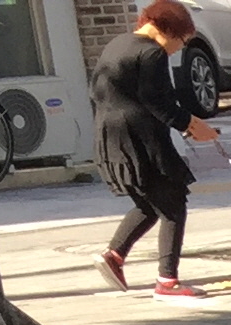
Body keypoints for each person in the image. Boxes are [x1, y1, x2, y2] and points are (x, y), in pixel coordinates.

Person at [90, 0, 215, 300]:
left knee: (150, 202)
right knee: (173, 204)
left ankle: (114, 255)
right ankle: (167, 281)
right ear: (168, 30)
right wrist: (192, 126)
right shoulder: (152, 53)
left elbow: (97, 91)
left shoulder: (117, 44)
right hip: (141, 139)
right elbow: (158, 102)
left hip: (110, 136)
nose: (179, 49)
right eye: (182, 41)